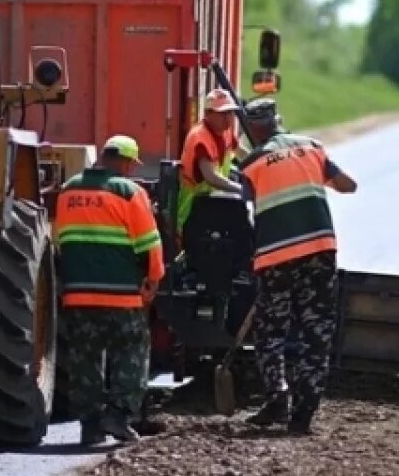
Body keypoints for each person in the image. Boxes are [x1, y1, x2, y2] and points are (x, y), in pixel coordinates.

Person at [237, 97, 358, 434]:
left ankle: (277, 397)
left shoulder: (252, 163)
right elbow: (348, 185)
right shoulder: (313, 148)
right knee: (315, 332)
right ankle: (303, 414)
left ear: (252, 130)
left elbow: (242, 197)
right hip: (319, 252)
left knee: (270, 332)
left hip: (275, 257)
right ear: (278, 119)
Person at [55, 134, 166, 445]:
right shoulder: (130, 192)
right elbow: (149, 243)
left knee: (84, 358)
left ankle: (89, 425)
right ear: (128, 162)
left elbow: (62, 241)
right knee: (131, 351)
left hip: (78, 293)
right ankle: (117, 416)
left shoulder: (68, 191)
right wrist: (154, 278)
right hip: (122, 294)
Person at [176, 88, 244, 237]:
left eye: (230, 113)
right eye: (222, 113)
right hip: (193, 209)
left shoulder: (225, 131)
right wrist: (242, 190)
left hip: (213, 204)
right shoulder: (199, 137)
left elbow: (241, 153)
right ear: (208, 114)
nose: (228, 118)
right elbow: (210, 177)